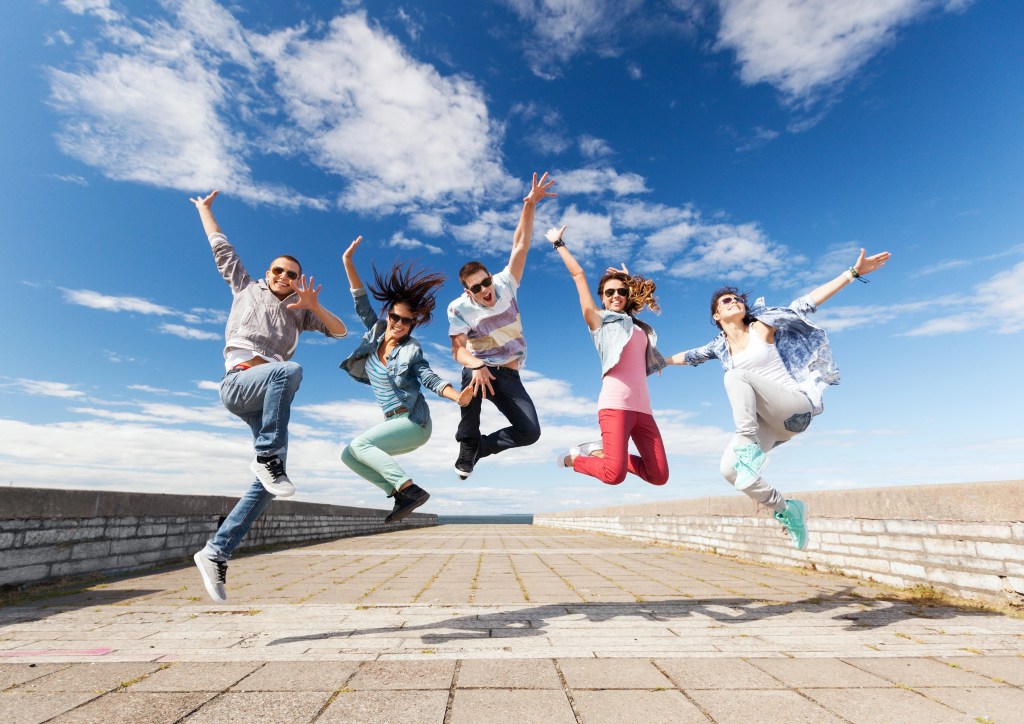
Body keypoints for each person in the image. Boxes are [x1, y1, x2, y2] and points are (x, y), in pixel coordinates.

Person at [665, 248, 892, 549]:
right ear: (716, 315)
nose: (734, 301)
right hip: (771, 424)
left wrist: (852, 273)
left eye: (737, 298)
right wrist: (656, 362)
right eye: (725, 300)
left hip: (796, 408)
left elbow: (806, 303)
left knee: (734, 377)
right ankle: (787, 509)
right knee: (730, 471)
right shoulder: (719, 347)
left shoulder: (763, 326)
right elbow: (687, 356)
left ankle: (748, 448)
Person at [189, 190, 348, 603]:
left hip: (266, 395)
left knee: (271, 486)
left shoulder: (300, 310)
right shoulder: (246, 287)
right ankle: (267, 456)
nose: (284, 278)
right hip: (241, 382)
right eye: (278, 271)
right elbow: (221, 248)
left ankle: (215, 551)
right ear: (268, 272)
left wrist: (314, 304)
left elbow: (340, 331)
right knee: (289, 371)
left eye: (292, 275)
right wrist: (206, 211)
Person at [340, 236, 473, 523]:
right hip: (394, 424)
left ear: (413, 323)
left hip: (414, 423)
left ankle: (409, 489)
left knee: (361, 445)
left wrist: (458, 396)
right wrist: (348, 262)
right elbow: (360, 299)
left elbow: (428, 377)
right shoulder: (375, 331)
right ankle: (399, 493)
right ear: (388, 315)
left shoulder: (411, 350)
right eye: (395, 317)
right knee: (349, 455)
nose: (398, 324)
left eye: (406, 321)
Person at [448, 172, 557, 480]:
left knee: (530, 431)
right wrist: (478, 364)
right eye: (478, 288)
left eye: (486, 282)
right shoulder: (458, 308)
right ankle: (468, 443)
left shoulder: (505, 283)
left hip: (509, 375)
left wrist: (530, 204)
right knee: (471, 374)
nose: (486, 290)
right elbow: (457, 350)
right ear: (467, 291)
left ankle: (482, 447)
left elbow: (520, 244)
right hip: (482, 369)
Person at [549, 225, 670, 487]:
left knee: (658, 475)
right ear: (602, 299)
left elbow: (638, 295)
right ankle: (575, 459)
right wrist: (559, 244)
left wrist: (628, 280)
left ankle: (606, 453)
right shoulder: (599, 323)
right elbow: (579, 275)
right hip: (615, 405)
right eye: (610, 292)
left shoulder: (636, 325)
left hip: (643, 409)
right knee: (613, 475)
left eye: (622, 292)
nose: (616, 296)